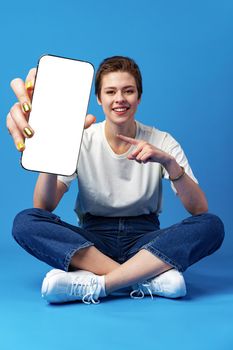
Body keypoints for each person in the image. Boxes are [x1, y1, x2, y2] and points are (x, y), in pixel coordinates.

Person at [7, 56, 224, 305]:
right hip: (93, 243)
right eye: (110, 92)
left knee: (212, 225)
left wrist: (170, 164)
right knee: (24, 222)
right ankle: (143, 278)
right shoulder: (82, 138)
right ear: (99, 99)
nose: (119, 98)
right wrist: (52, 151)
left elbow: (199, 210)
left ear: (139, 97)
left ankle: (100, 283)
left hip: (145, 240)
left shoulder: (162, 140)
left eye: (128, 91)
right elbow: (43, 207)